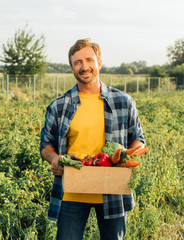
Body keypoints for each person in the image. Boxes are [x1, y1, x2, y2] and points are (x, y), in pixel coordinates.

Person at [40, 38, 145, 240]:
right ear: (71, 67)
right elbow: (46, 144)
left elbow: (138, 139)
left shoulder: (123, 101)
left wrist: (127, 155)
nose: (84, 66)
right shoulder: (59, 105)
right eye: (77, 62)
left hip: (112, 189)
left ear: (99, 62)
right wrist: (54, 158)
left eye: (89, 60)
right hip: (71, 190)